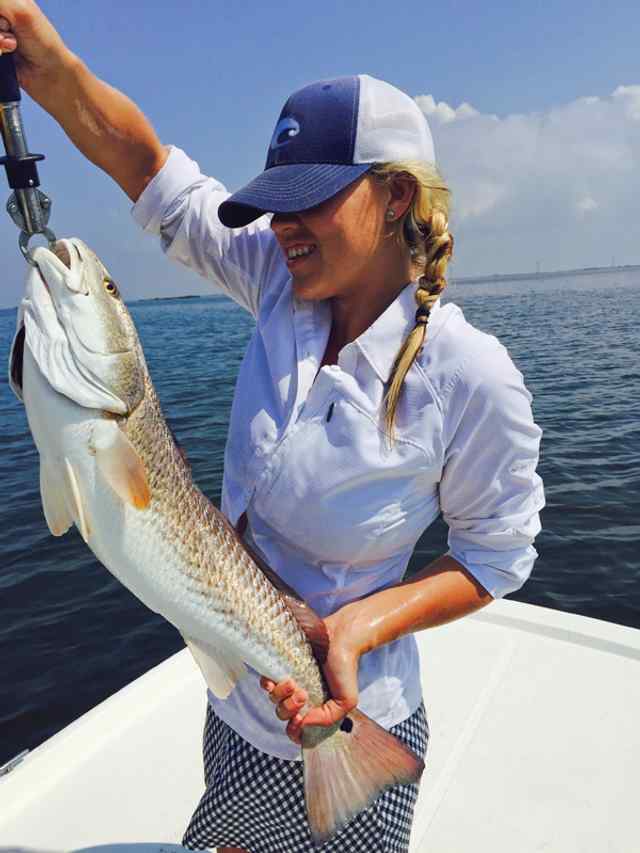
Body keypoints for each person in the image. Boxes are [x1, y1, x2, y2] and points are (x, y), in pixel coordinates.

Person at [0, 4, 545, 852]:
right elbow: (150, 171)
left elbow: (495, 555)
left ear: (396, 193)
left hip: (358, 706)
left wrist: (363, 626)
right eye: (272, 204)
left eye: (308, 201)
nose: (280, 227)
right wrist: (54, 69)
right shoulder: (278, 282)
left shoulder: (471, 377)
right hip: (242, 696)